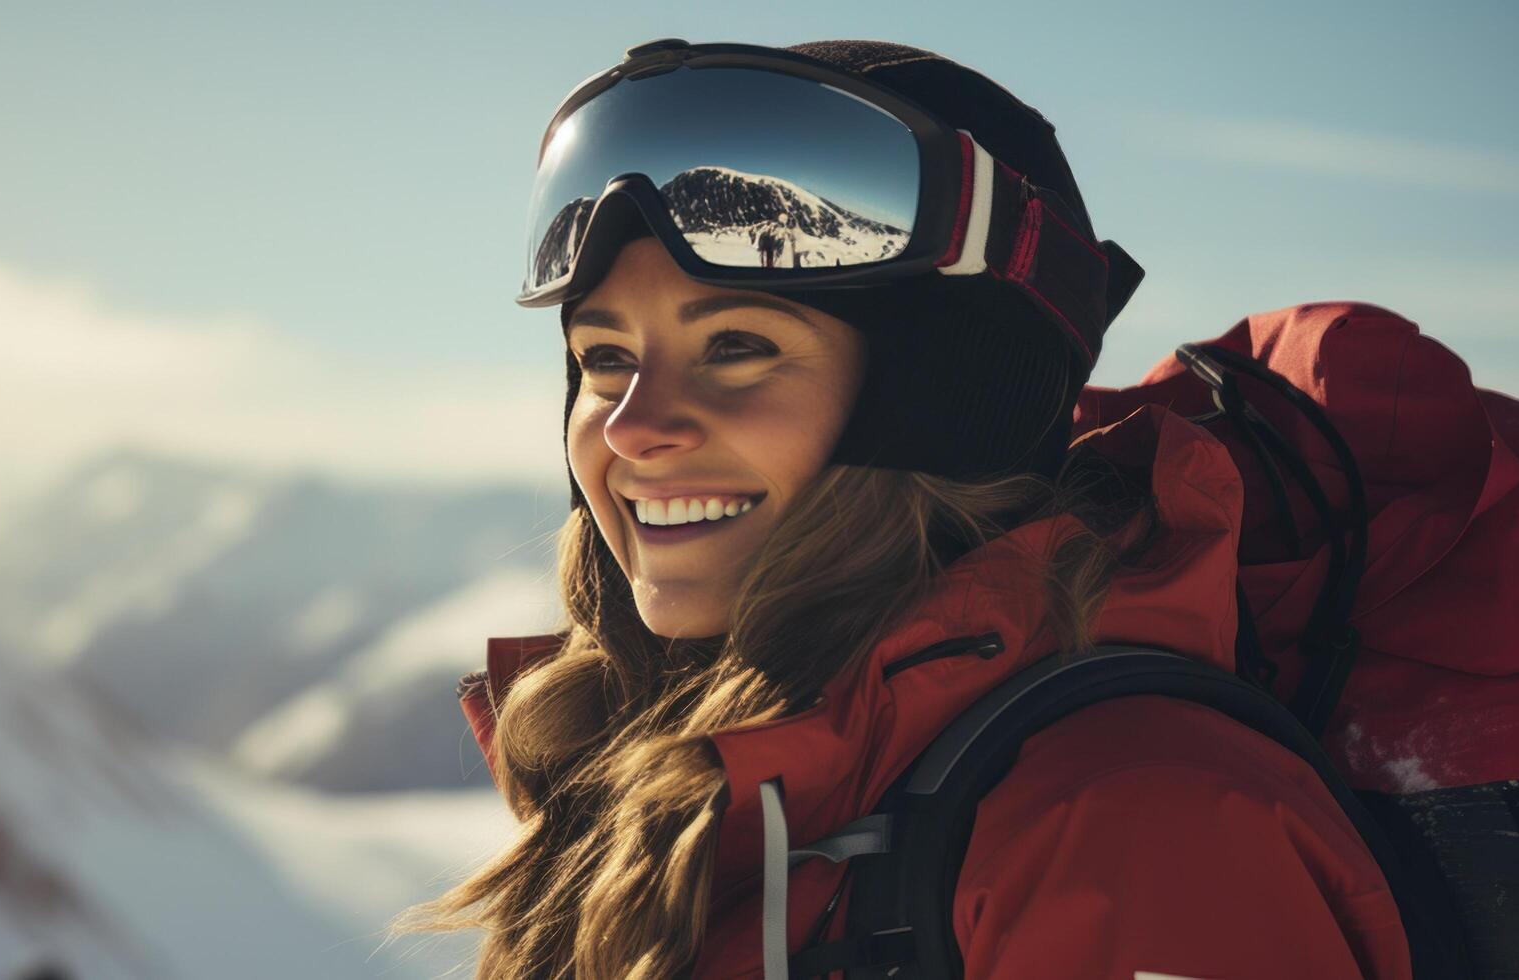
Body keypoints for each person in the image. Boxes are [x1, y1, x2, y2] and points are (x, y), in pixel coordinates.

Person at [394, 39, 1412, 979]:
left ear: (939, 406)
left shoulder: (1136, 820)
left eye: (737, 347)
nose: (629, 426)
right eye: (604, 358)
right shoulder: (682, 776)